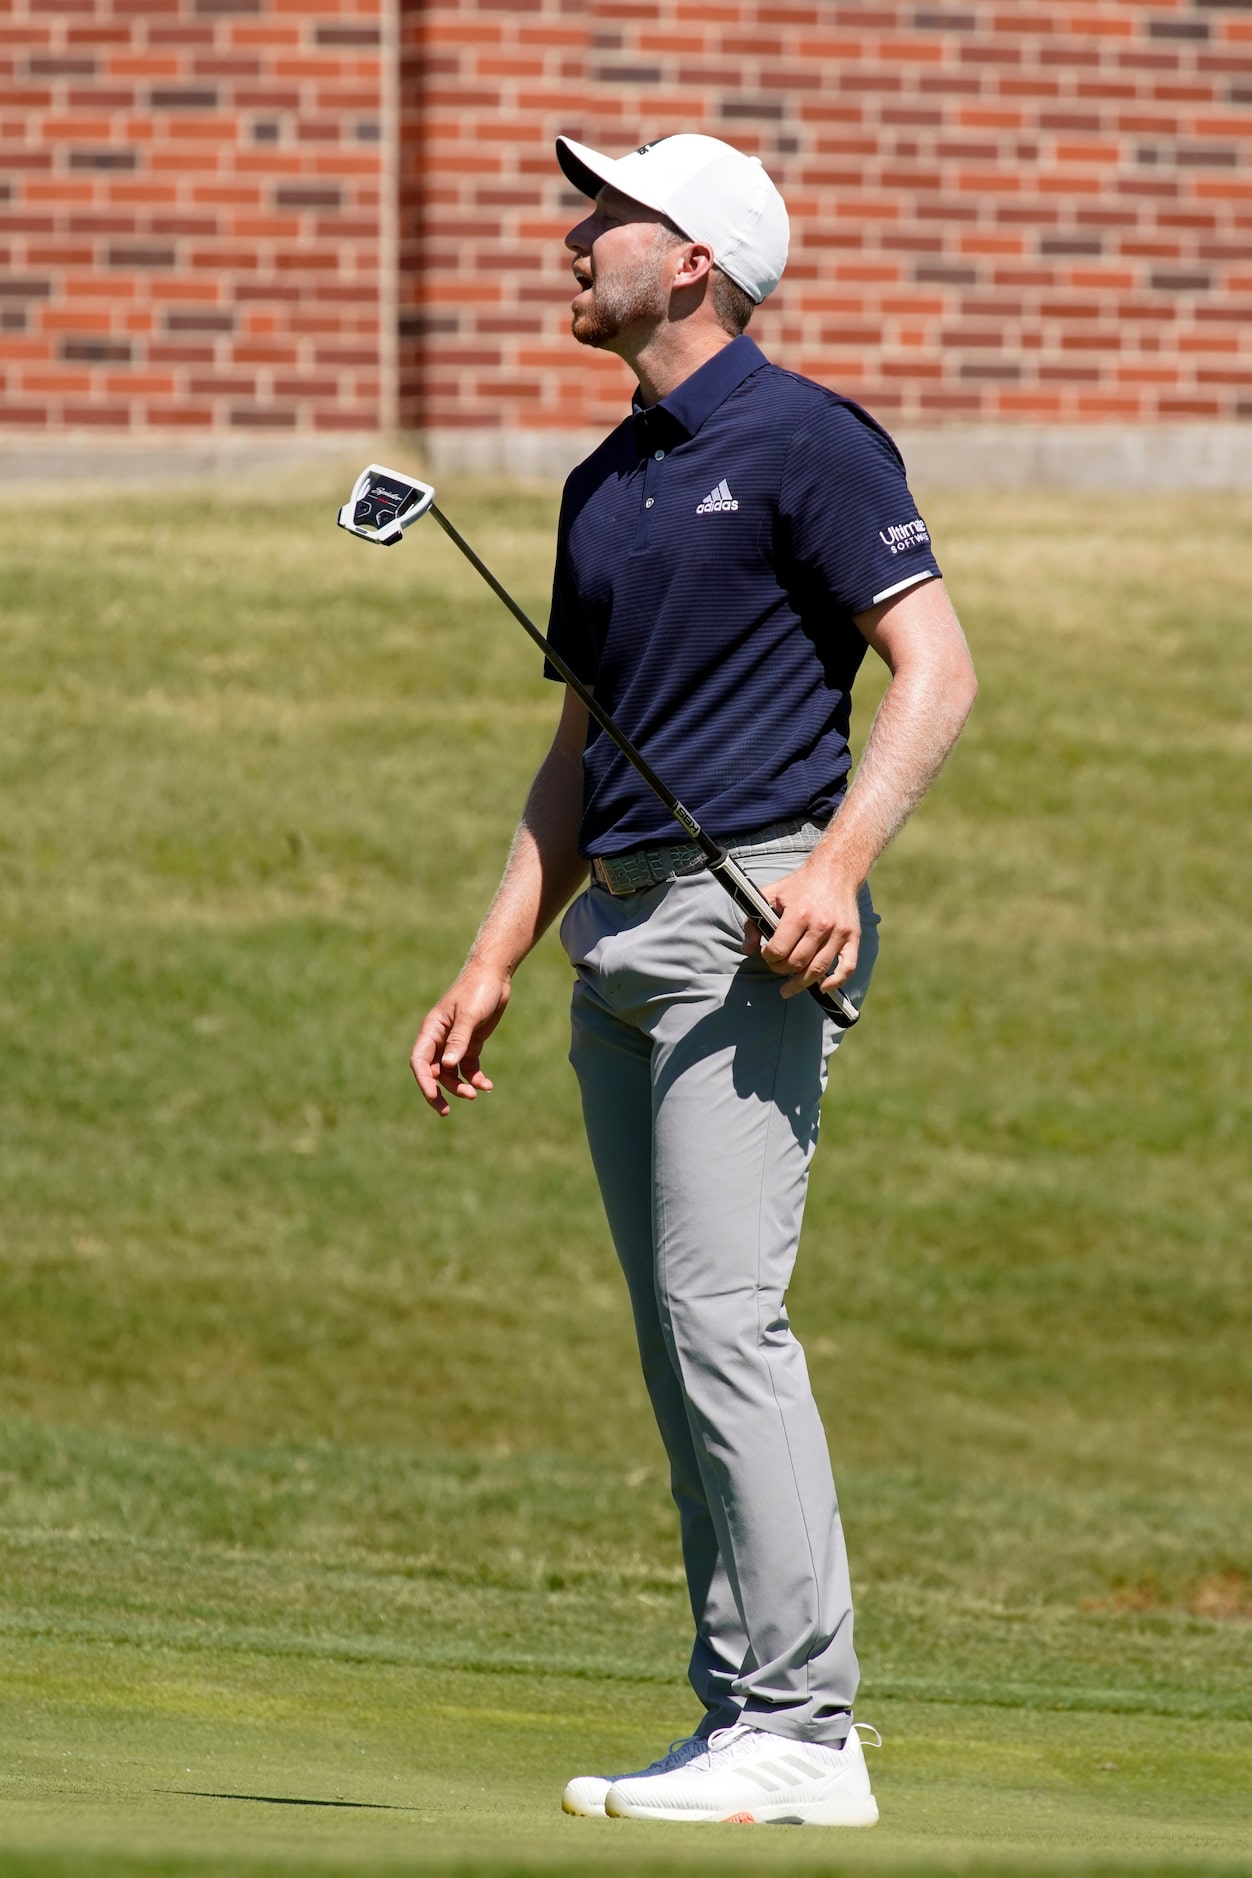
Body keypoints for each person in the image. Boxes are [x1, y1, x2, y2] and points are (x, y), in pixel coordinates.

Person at [411, 132, 978, 1827]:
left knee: (730, 1316)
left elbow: (936, 670)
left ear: (699, 262)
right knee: (681, 1341)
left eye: (609, 215)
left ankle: (811, 1721)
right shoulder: (603, 483)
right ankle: (744, 1708)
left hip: (753, 926)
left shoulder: (806, 438)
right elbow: (578, 749)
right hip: (618, 949)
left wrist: (839, 872)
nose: (572, 236)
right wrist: (492, 952)